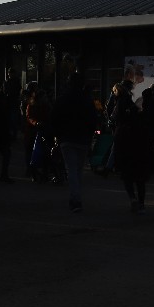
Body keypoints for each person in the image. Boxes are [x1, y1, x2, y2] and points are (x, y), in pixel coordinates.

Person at [50, 71, 98, 214]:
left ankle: (75, 199)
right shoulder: (87, 100)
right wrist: (90, 136)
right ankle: (76, 197)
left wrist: (56, 135)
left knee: (71, 169)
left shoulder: (62, 99)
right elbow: (93, 120)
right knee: (78, 170)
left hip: (67, 138)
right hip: (83, 138)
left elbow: (54, 118)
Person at [113, 94, 154, 213]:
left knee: (128, 179)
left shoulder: (123, 128)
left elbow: (118, 145)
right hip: (141, 156)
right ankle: (141, 203)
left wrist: (117, 161)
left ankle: (132, 198)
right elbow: (151, 145)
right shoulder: (144, 126)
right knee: (140, 182)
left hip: (127, 157)